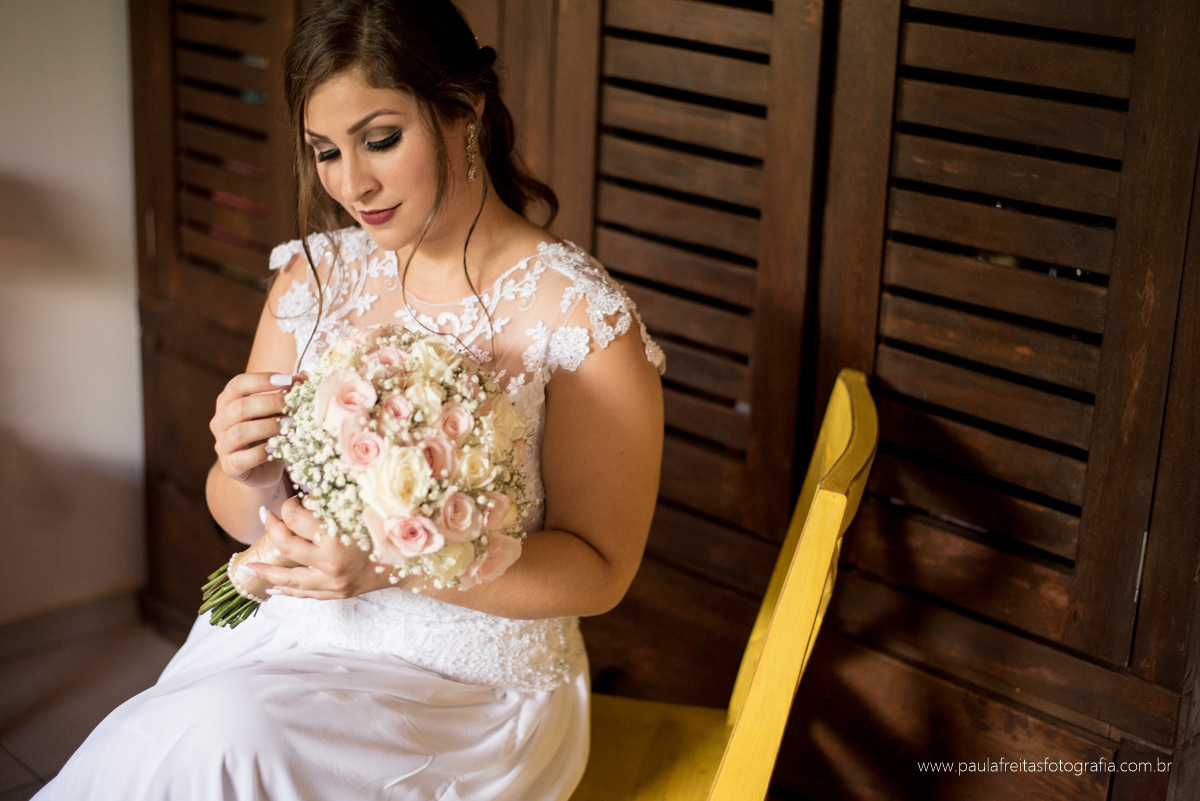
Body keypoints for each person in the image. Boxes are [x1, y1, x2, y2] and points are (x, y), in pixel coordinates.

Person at [35, 1, 664, 798]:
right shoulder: (312, 278)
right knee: (156, 741)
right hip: (295, 646)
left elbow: (602, 569)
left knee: (225, 743)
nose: (351, 183)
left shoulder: (576, 316)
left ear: (464, 111)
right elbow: (237, 510)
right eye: (325, 151)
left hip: (472, 690)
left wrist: (396, 566)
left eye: (381, 139)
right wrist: (250, 471)